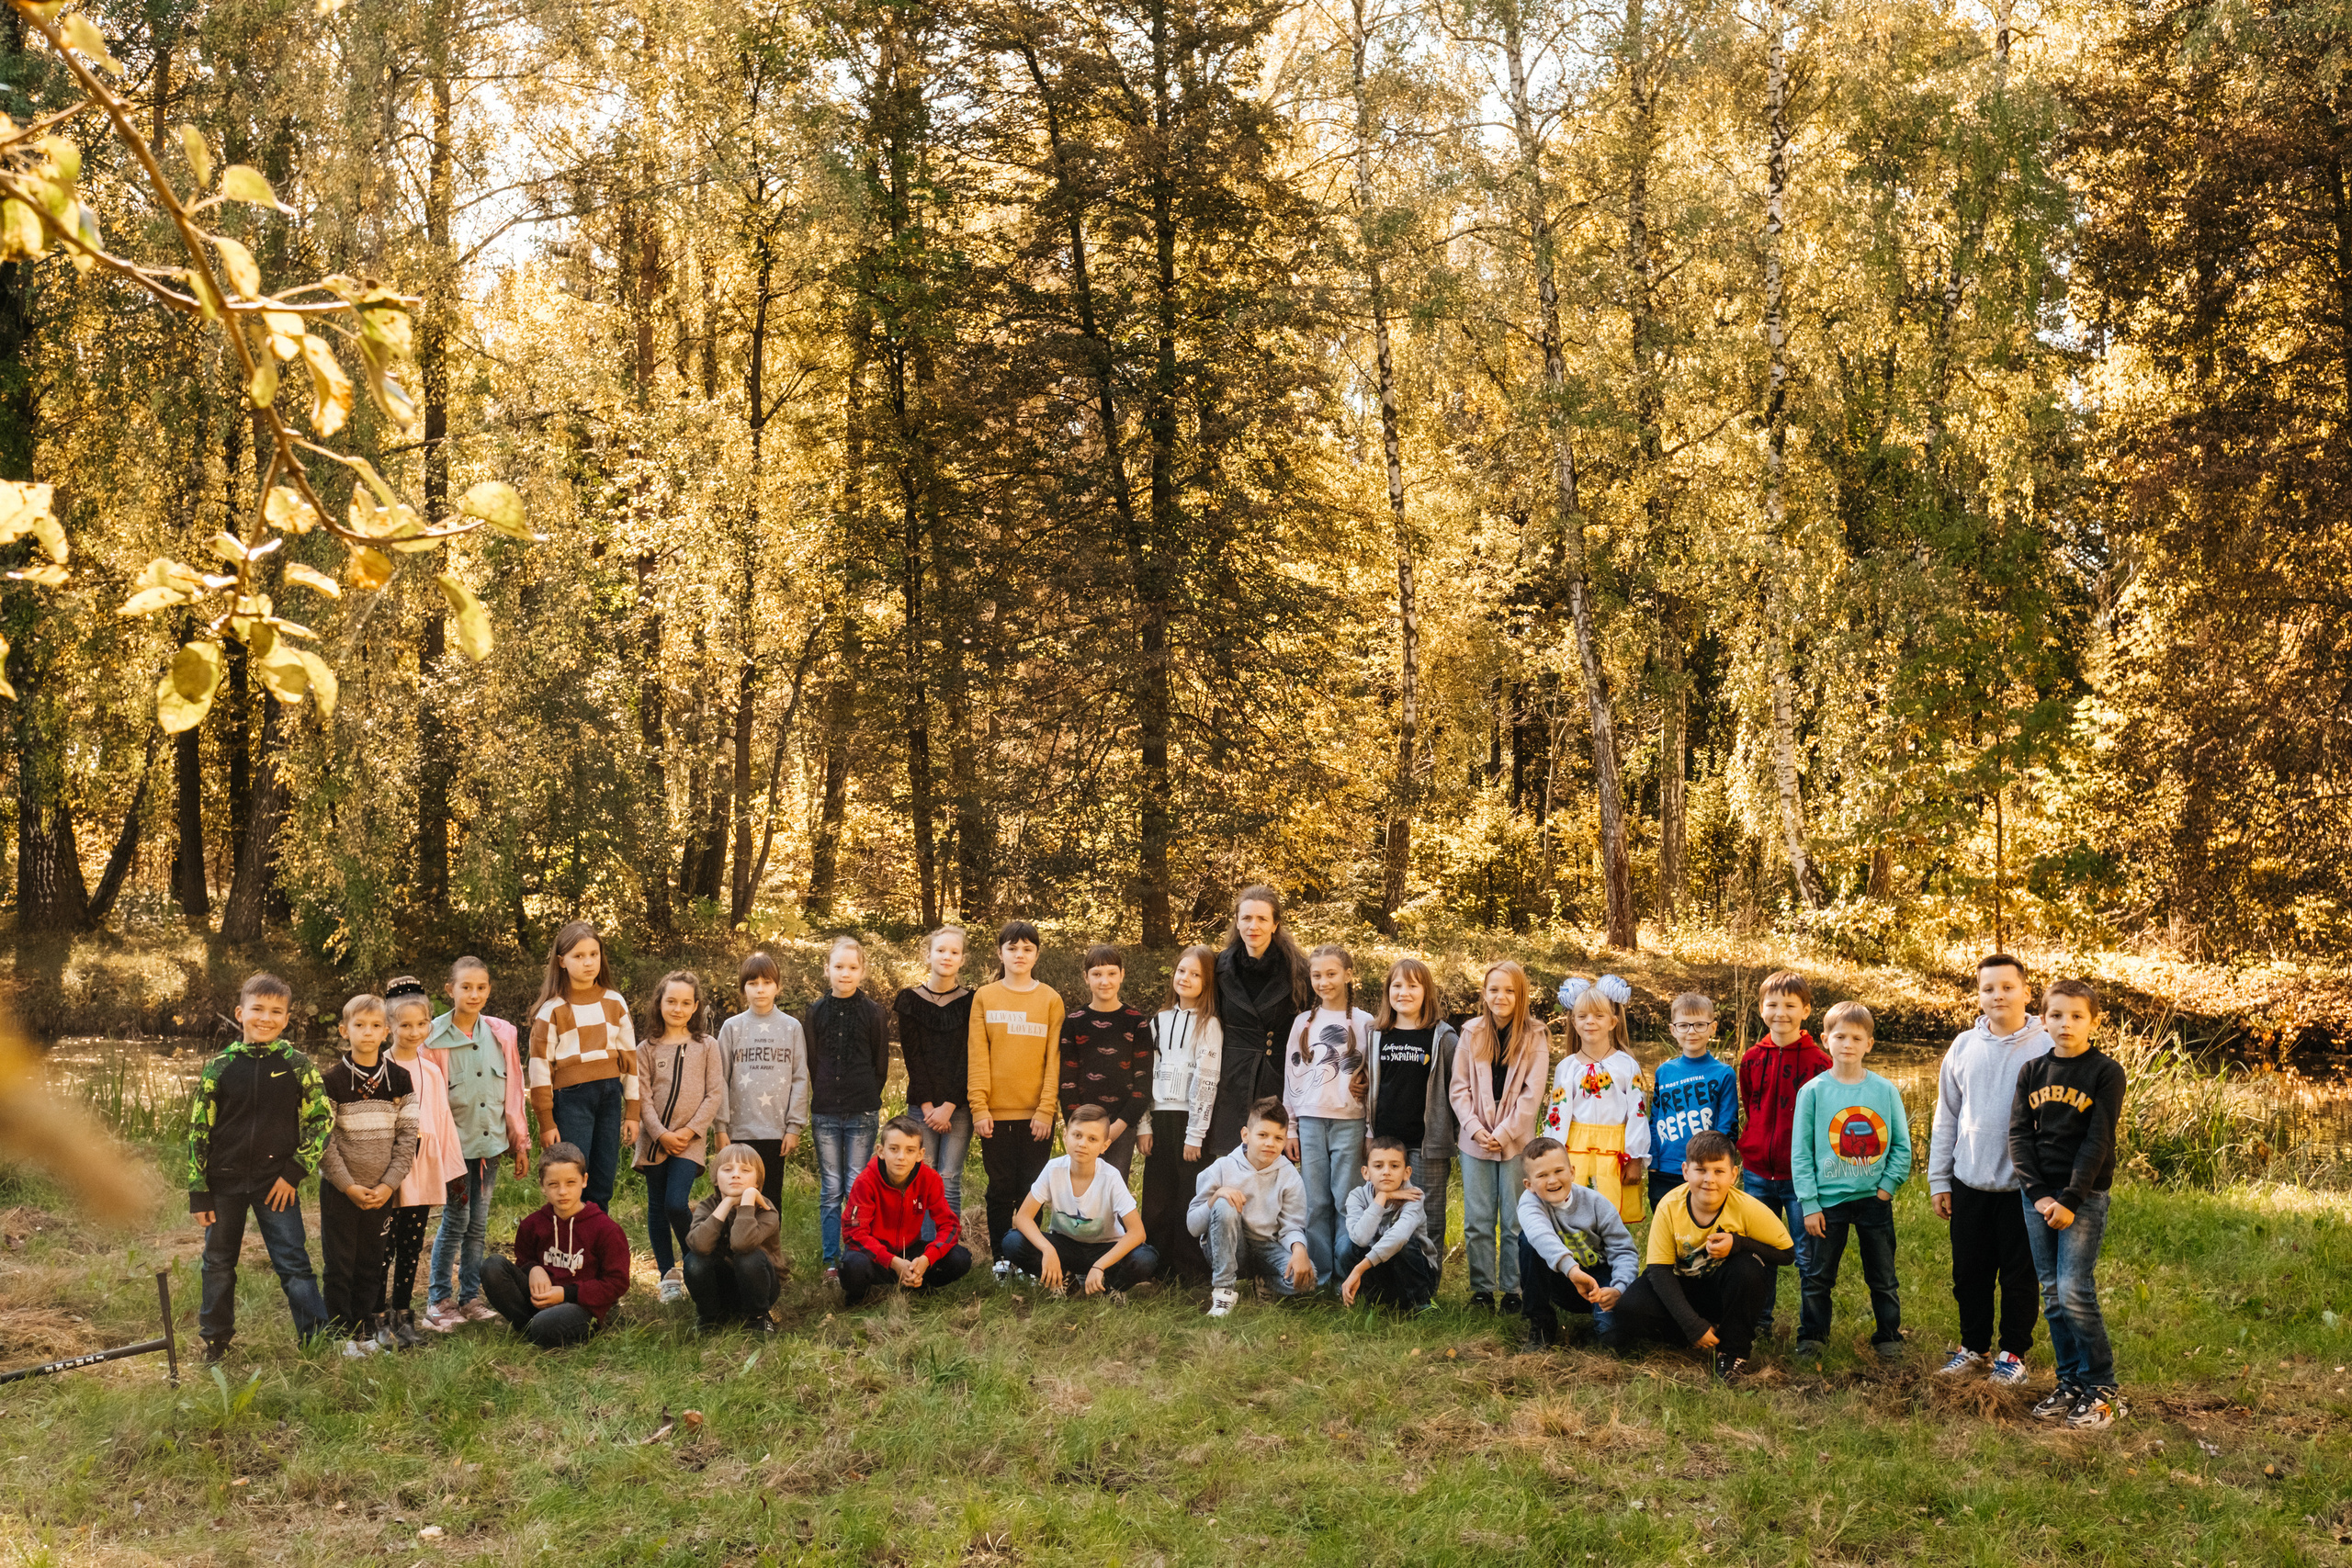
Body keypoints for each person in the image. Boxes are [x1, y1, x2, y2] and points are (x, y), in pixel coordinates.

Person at [188, 973, 334, 1361]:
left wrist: (294, 1173)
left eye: (275, 1012)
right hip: (223, 1184)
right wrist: (198, 1190)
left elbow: (322, 1121)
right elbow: (199, 1128)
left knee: (294, 1263)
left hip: (276, 1184)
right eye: (257, 1009)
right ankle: (215, 1342)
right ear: (240, 1013)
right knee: (218, 1264)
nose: (265, 1018)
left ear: (287, 1019)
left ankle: (315, 1339)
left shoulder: (298, 1065)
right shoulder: (220, 1066)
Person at [1928, 953, 2053, 1386]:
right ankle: (1973, 1347)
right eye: (1988, 988)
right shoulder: (1963, 1046)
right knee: (1969, 1272)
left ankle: (2013, 1353)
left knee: (2020, 1275)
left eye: (2007, 987)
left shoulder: (2047, 1044)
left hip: (2026, 1186)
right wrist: (1939, 1178)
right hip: (1970, 1181)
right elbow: (1946, 1116)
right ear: (1978, 995)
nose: (1998, 995)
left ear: (2026, 991)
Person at [2011, 978, 2129, 1429]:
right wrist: (2039, 1195)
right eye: (2056, 1015)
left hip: (2084, 1195)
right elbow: (2019, 1136)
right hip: (2038, 1198)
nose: (2066, 1024)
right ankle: (2070, 1382)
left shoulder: (2105, 1072)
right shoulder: (2032, 1071)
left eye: (2077, 1016)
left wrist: (2070, 1200)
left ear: (2093, 1023)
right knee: (2052, 1294)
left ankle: (2103, 1387)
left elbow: (2098, 1140)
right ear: (2043, 1019)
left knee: (2075, 1290)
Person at [1607, 1131, 1796, 1382]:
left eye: (1719, 1171)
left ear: (1733, 1175)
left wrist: (1739, 1243)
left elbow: (1787, 1253)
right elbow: (1659, 1271)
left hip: (1724, 1291)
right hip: (1681, 1287)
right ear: (1685, 1171)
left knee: (1749, 1267)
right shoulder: (1669, 1205)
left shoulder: (1747, 1208)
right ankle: (1698, 1334)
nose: (1709, 1180)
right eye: (1701, 1170)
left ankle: (1732, 1351)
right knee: (1629, 1308)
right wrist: (1691, 1325)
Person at [1790, 1000, 1912, 1366]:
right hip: (1827, 1202)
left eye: (1856, 1038)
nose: (1847, 1044)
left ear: (1869, 1044)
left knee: (1884, 1275)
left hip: (1874, 1199)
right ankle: (1813, 1336)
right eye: (1840, 1036)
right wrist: (1809, 1204)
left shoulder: (1885, 1090)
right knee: (1817, 1276)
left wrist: (1887, 1186)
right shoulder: (1812, 1092)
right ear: (1826, 1039)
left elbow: (1902, 1145)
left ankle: (1888, 1335)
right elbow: (1801, 1152)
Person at [423, 956, 528, 1333]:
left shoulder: (502, 1034)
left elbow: (513, 1091)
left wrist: (520, 1142)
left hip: (490, 1146)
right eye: (466, 987)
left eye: (481, 987)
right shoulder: (431, 1037)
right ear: (449, 990)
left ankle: (469, 1297)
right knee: (456, 1220)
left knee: (478, 1224)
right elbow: (427, 1101)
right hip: (454, 1150)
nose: (474, 993)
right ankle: (438, 1300)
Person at [319, 993, 417, 1359]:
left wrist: (389, 1183)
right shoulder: (331, 1081)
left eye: (376, 1026)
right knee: (340, 1263)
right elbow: (324, 1141)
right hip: (341, 1192)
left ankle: (364, 1330)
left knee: (371, 1262)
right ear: (345, 1030)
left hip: (382, 1192)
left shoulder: (400, 1079)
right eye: (359, 1025)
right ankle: (339, 1332)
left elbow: (408, 1137)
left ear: (387, 1031)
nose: (368, 1032)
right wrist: (347, 1185)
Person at [1733, 969, 1828, 1338]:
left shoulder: (1820, 1064)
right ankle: (1759, 1323)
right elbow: (1750, 1105)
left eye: (1790, 1005)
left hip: (1801, 1178)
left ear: (1805, 1010)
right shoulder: (1752, 1058)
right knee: (1758, 1254)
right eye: (1772, 1005)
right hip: (1757, 1173)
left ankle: (1812, 1333)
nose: (1781, 1013)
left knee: (1808, 1257)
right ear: (1761, 1010)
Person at [967, 919, 1066, 1278]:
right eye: (1012, 948)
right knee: (999, 1190)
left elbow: (1053, 1061)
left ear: (1036, 954)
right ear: (1000, 953)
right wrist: (979, 1107)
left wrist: (1046, 1110)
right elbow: (978, 1056)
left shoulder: (1050, 1000)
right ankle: (1001, 1260)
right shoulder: (985, 996)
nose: (1019, 955)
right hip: (994, 1115)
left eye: (1027, 949)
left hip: (1036, 1116)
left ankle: (1025, 1259)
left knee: (1031, 1190)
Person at [1449, 960, 1549, 1312]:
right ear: (1484, 993)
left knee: (1513, 1218)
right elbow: (1458, 1089)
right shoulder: (1471, 1032)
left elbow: (1531, 1094)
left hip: (1516, 1139)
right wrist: (1476, 1129)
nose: (1500, 996)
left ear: (1520, 994)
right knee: (1477, 1219)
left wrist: (1505, 1132)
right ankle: (1481, 1288)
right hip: (1474, 1138)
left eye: (1509, 990)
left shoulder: (1535, 1035)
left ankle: (1512, 1288)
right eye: (1494, 989)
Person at [526, 920, 639, 1213]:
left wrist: (633, 1112)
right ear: (561, 961)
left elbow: (629, 1062)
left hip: (610, 1096)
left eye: (594, 954)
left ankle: (595, 1247)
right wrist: (547, 1122)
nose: (588, 962)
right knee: (572, 1176)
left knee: (602, 1180)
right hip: (572, 1099)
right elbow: (539, 1069)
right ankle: (565, 1249)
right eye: (579, 956)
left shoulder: (615, 1002)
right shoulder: (552, 1010)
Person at [1282, 943, 1375, 1287]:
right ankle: (1318, 1274)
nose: (1323, 982)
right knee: (1316, 1200)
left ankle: (1345, 1273)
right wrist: (1290, 1127)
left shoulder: (1366, 1024)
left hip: (1349, 1122)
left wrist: (1369, 1129)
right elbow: (1291, 1076)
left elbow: (1372, 1081)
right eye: (1317, 975)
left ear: (1349, 976)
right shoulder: (1303, 1023)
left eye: (1331, 974)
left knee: (1346, 1198)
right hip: (1308, 1121)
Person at [379, 979, 465, 1349]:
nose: (414, 1032)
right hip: (389, 1168)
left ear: (431, 1022)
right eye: (405, 1025)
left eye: (421, 1024)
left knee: (412, 1244)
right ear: (389, 1028)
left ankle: (404, 1316)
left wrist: (452, 1172)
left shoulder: (430, 1070)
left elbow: (443, 1121)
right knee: (384, 1246)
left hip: (424, 1166)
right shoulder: (381, 1066)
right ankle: (377, 1317)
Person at [481, 1142, 630, 1348]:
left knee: (545, 1324)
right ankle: (531, 1327)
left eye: (570, 1182)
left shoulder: (606, 1229)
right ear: (542, 1185)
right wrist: (533, 1269)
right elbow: (524, 1259)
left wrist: (566, 1294)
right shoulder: (532, 1224)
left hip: (580, 1307)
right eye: (553, 1184)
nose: (562, 1192)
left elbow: (617, 1283)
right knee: (492, 1266)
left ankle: (540, 1329)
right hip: (538, 1302)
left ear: (584, 1181)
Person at [635, 970, 726, 1305]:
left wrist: (688, 1132)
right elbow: (642, 1096)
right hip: (654, 1139)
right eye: (671, 1001)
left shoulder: (707, 1046)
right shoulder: (645, 1048)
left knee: (676, 1202)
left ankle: (696, 1262)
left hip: (691, 1141)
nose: (677, 1008)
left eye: (685, 1002)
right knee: (657, 1206)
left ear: (696, 1006)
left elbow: (714, 1094)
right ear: (659, 1003)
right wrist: (660, 1133)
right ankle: (667, 1275)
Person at [1002, 1103, 1159, 1295]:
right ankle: (1065, 1281)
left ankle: (1111, 1287)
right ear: (1065, 1136)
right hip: (1065, 1246)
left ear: (1105, 1146)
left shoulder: (1111, 1177)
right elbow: (1023, 1218)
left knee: (1146, 1258)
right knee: (1012, 1241)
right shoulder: (1053, 1169)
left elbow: (1137, 1233)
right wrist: (1047, 1250)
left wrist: (1100, 1266)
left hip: (1105, 1250)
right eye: (1077, 1135)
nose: (1082, 1143)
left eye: (1092, 1139)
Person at [807, 936, 889, 1280]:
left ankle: (856, 1252)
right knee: (830, 1187)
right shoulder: (815, 1012)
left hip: (862, 1111)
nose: (845, 973)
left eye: (852, 967)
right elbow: (812, 1061)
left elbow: (880, 1064)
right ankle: (831, 1258)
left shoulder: (873, 1012)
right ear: (827, 969)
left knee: (857, 1185)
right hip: (825, 1110)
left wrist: (864, 1094)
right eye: (838, 967)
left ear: (862, 971)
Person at [1207, 885, 1311, 1156]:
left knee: (1272, 1165)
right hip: (1230, 1078)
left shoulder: (1299, 971)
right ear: (1237, 922)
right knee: (1229, 1166)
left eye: (1262, 919)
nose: (1254, 926)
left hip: (1277, 1077)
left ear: (1275, 924)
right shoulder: (1218, 968)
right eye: (1247, 918)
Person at [1187, 1098, 1313, 1317]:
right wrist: (1216, 1196)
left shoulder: (1289, 1175)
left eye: (1278, 1138)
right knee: (1226, 1203)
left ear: (1284, 1141)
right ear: (1246, 1135)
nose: (1270, 1143)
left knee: (1305, 1280)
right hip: (1228, 1244)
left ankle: (1262, 1279)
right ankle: (1224, 1291)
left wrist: (1299, 1249)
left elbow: (1291, 1225)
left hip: (1266, 1246)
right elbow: (1193, 1227)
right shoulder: (1222, 1167)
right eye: (1262, 1135)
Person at [1365, 958, 1457, 1259]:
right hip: (1386, 1143)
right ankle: (1388, 1280)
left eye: (1413, 985)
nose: (1404, 992)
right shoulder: (1377, 1034)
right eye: (1397, 985)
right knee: (1386, 1211)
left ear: (1426, 992)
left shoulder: (1442, 1037)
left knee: (1428, 1217)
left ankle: (1426, 1283)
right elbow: (1367, 1084)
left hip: (1426, 1145)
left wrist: (1451, 1135)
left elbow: (1456, 1090)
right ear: (1388, 991)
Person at [1141, 943, 1221, 1281]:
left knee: (1188, 1195)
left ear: (1207, 982)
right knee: (1156, 1196)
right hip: (1159, 1117)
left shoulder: (1210, 1024)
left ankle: (1189, 1271)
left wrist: (1195, 1133)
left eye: (1195, 974)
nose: (1186, 978)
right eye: (1181, 971)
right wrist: (1144, 1125)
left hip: (1190, 1121)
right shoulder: (1157, 1021)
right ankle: (1154, 1266)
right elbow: (1145, 1074)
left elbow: (1207, 1080)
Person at [1544, 975, 1651, 1226]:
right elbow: (1556, 1117)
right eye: (1583, 1016)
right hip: (1574, 1151)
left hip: (1615, 1152)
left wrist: (1635, 1158)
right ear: (1574, 1021)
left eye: (1598, 1016)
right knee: (1573, 1219)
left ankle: (1612, 1263)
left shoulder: (1627, 1065)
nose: (1590, 1022)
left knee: (1611, 1219)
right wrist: (1552, 1159)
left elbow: (1638, 1112)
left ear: (1612, 1022)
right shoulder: (1566, 1068)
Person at [1516, 1135, 1638, 1350]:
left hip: (1600, 1278)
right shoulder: (1529, 1202)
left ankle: (1600, 1325)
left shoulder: (1597, 1203)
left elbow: (1624, 1250)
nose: (1552, 1180)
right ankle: (1541, 1321)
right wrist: (1572, 1271)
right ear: (1529, 1185)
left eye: (1558, 1171)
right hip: (1563, 1279)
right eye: (1542, 1175)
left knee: (1613, 1342)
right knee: (1528, 1241)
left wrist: (1619, 1287)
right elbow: (1540, 1234)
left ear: (1572, 1171)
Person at [840, 1115, 974, 1307]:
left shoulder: (930, 1179)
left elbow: (949, 1226)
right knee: (852, 1267)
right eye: (893, 1149)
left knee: (960, 1258)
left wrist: (926, 1259)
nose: (901, 1157)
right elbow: (854, 1233)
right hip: (875, 1256)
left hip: (910, 1251)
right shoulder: (866, 1181)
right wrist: (893, 1262)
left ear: (920, 1154)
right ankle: (858, 1296)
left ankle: (917, 1282)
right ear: (881, 1151)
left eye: (910, 1150)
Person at [715, 950, 808, 1214]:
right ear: (743, 987)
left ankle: (769, 1254)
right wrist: (720, 1126)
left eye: (767, 983)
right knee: (733, 1198)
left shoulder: (791, 1027)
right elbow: (719, 1079)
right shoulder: (732, 1027)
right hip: (738, 1131)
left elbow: (800, 1077)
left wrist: (794, 1127)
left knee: (769, 1201)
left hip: (775, 1131)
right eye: (753, 983)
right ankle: (732, 1252)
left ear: (777, 986)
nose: (760, 990)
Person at [894, 927, 975, 1222]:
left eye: (954, 952)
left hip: (959, 1106)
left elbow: (969, 1058)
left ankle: (945, 1254)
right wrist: (929, 1108)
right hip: (922, 1107)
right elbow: (912, 1058)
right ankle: (920, 1252)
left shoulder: (972, 1002)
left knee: (949, 1179)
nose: (947, 956)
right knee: (921, 1179)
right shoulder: (909, 1000)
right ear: (928, 955)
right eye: (940, 950)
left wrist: (950, 1105)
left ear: (962, 959)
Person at [1058, 943, 1154, 1184]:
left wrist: (1117, 1127)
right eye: (1097, 974)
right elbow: (1067, 1081)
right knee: (1081, 1187)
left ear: (1122, 975)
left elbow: (1143, 1082)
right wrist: (1077, 1128)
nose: (1105, 981)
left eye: (1112, 973)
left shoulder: (1136, 1023)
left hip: (1121, 1125)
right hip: (1082, 1128)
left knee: (1113, 1187)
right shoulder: (1074, 1022)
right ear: (1086, 978)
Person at [1646, 991, 1738, 1214]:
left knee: (1702, 1228)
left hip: (1703, 1170)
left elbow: (1726, 1127)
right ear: (1673, 1030)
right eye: (1684, 1025)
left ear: (1713, 1028)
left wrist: (1714, 1167)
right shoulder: (1664, 1071)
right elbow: (1655, 1118)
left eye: (1699, 1025)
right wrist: (1654, 1161)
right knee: (1667, 1227)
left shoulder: (1723, 1073)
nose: (1691, 1032)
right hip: (1666, 1168)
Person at [684, 1143, 782, 1332]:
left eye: (745, 1170)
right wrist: (727, 1202)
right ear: (715, 1178)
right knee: (694, 1260)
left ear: (757, 1182)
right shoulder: (708, 1206)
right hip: (721, 1288)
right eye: (727, 1169)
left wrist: (747, 1201)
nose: (735, 1175)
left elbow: (742, 1244)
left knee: (749, 1258)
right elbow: (700, 1246)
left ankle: (758, 1318)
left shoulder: (767, 1210)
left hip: (760, 1285)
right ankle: (710, 1318)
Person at [1337, 1135, 1437, 1312]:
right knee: (1344, 1245)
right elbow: (1359, 1239)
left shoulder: (1414, 1196)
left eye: (1394, 1166)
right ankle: (1373, 1301)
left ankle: (1420, 1303)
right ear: (1365, 1172)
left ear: (1407, 1172)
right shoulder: (1357, 1196)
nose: (1386, 1172)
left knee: (1404, 1245)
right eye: (1378, 1166)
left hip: (1415, 1274)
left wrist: (1358, 1269)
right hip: (1380, 1273)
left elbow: (1398, 1238)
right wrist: (1382, 1197)